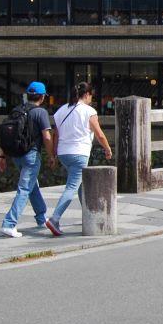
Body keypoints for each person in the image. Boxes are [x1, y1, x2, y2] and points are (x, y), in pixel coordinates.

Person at [44, 82, 112, 236]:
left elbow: (56, 135)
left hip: (63, 153)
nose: (91, 98)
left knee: (81, 185)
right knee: (72, 187)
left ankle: (89, 216)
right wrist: (107, 149)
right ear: (87, 94)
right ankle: (54, 219)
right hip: (79, 153)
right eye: (91, 96)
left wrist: (53, 155)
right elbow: (99, 134)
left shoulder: (61, 111)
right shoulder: (89, 111)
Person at [0, 81, 55, 237]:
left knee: (32, 185)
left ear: (28, 95)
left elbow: (6, 134)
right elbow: (46, 136)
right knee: (25, 188)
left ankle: (41, 217)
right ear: (42, 97)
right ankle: (9, 223)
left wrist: (2, 156)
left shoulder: (16, 110)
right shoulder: (40, 112)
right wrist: (51, 155)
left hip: (16, 154)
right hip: (31, 154)